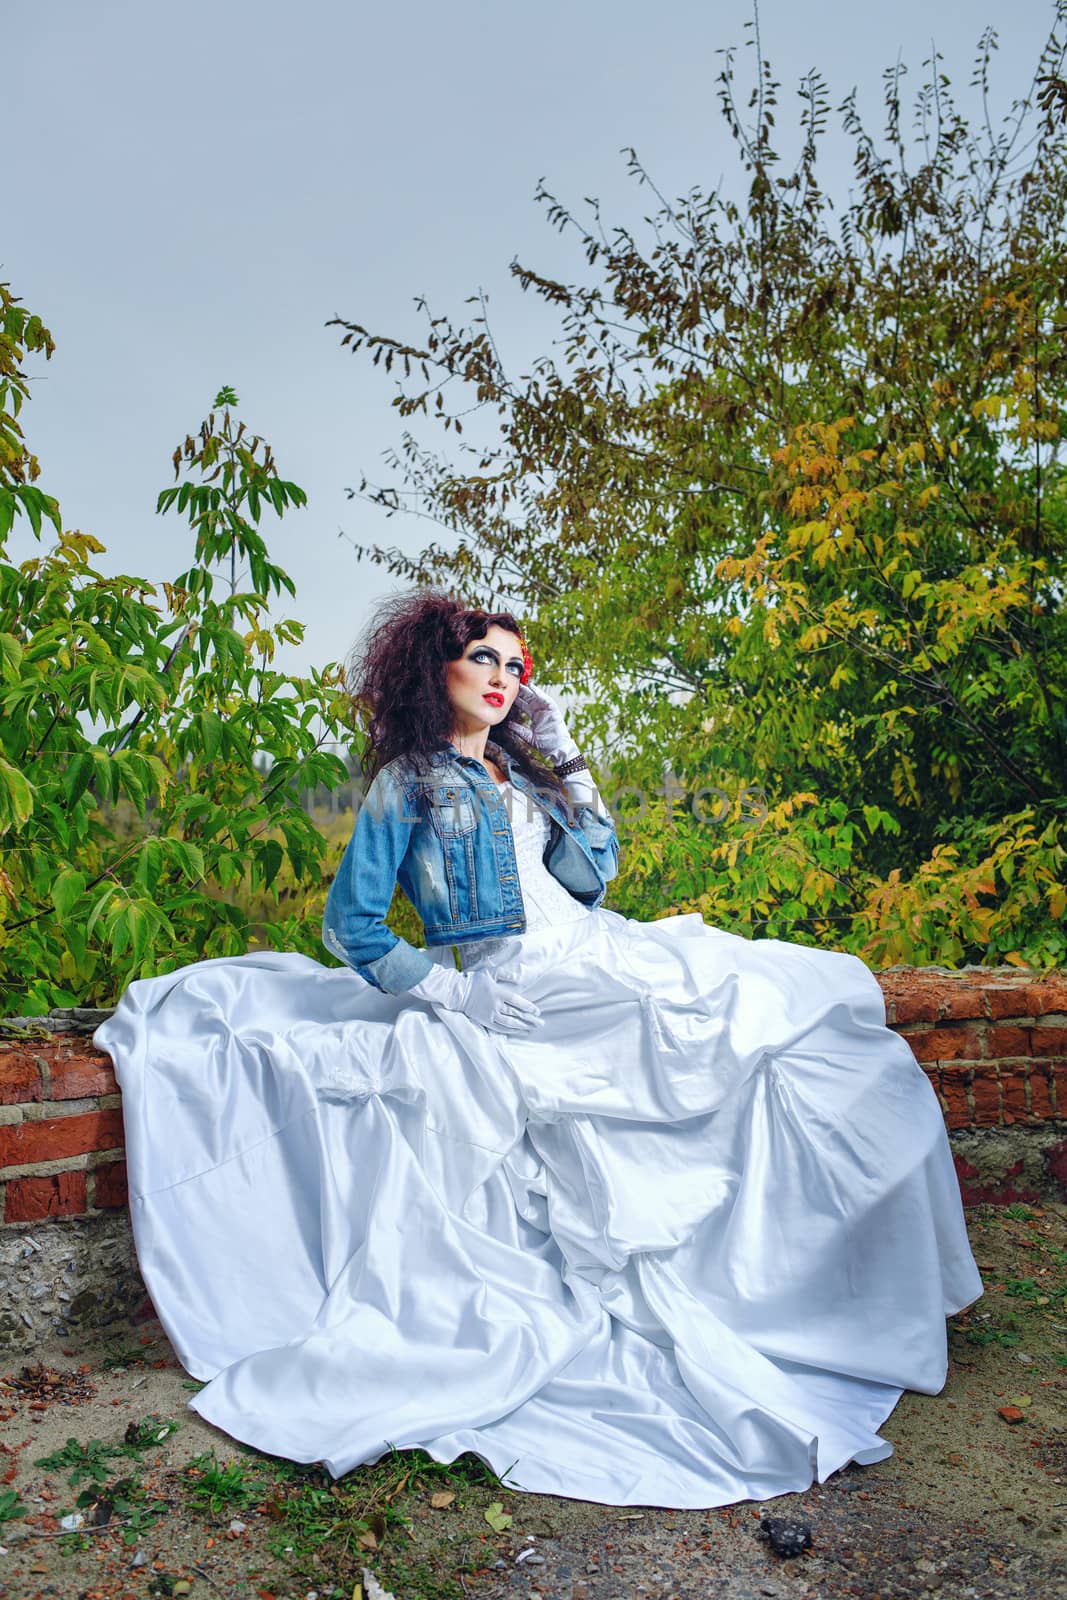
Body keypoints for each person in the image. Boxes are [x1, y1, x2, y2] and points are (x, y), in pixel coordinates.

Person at [93, 588, 983, 1510]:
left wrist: (563, 756)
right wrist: (452, 991)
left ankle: (811, 1292)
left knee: (794, 1004)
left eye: (515, 667)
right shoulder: (410, 780)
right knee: (725, 1020)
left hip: (588, 950)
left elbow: (590, 878)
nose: (503, 678)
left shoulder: (524, 776)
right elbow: (349, 925)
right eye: (484, 658)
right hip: (517, 980)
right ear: (431, 666)